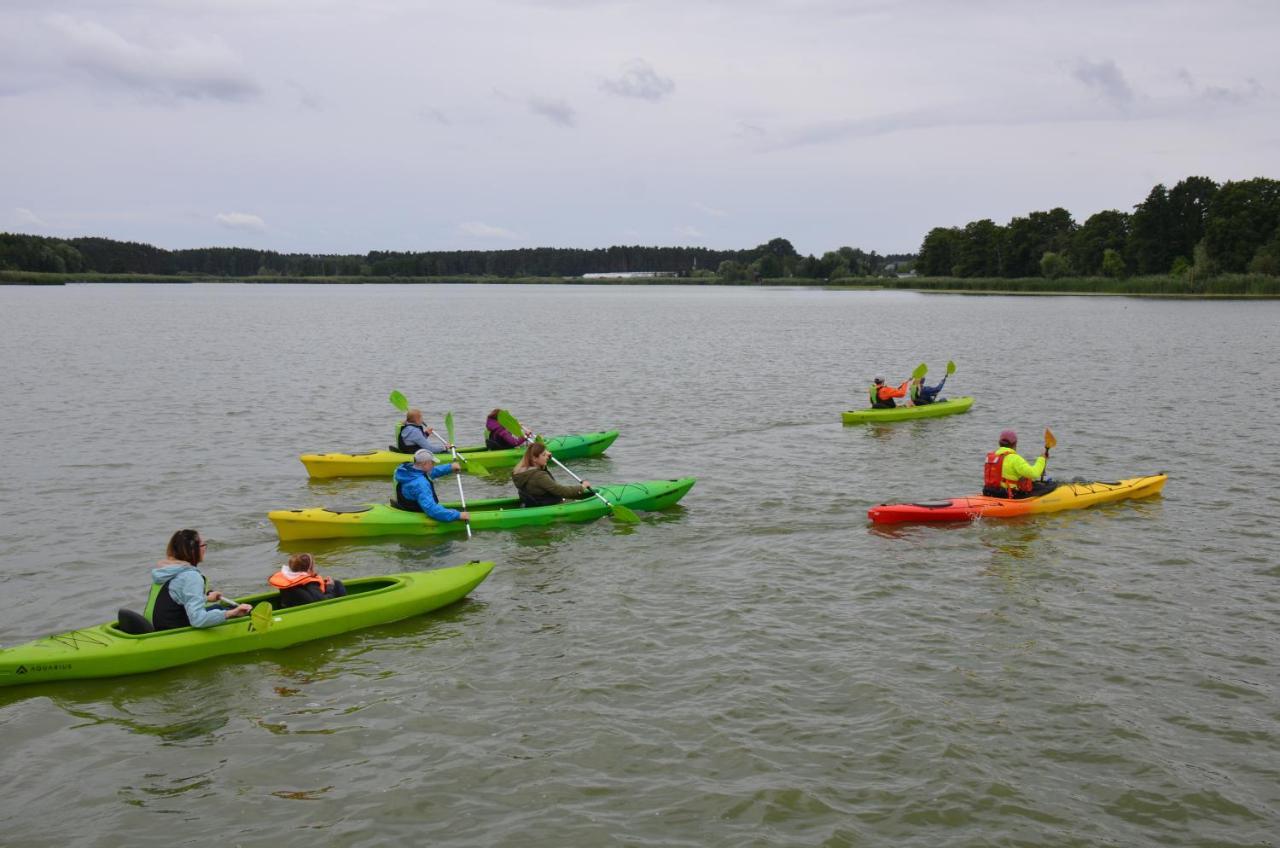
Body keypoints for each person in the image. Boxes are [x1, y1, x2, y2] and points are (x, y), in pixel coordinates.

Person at [146, 529, 252, 631]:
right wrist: (233, 613)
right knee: (227, 611)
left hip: (155, 627)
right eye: (202, 545)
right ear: (192, 551)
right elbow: (198, 620)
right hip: (175, 632)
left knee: (218, 607)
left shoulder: (164, 572)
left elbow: (175, 599)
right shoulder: (191, 577)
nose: (204, 548)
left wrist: (206, 599)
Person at [392, 449, 471, 522]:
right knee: (433, 507)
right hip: (416, 513)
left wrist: (450, 467)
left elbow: (430, 472)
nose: (433, 465)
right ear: (424, 464)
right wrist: (458, 515)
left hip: (406, 506)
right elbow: (431, 509)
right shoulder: (421, 484)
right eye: (432, 463)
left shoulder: (406, 470)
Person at [511, 441, 592, 508]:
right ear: (534, 458)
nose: (547, 457)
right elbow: (561, 491)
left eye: (546, 454)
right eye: (543, 455)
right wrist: (582, 487)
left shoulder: (519, 473)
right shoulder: (539, 476)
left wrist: (543, 460)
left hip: (531, 504)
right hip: (550, 505)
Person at [983, 430, 1054, 498]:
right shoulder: (1015, 459)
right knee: (1048, 486)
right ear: (1015, 443)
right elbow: (1034, 474)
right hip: (1007, 494)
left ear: (999, 443)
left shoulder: (990, 457)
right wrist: (1042, 459)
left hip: (989, 491)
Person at [268, 552, 347, 609]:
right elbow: (322, 602)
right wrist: (330, 586)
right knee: (337, 584)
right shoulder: (311, 583)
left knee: (336, 583)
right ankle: (344, 608)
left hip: (290, 606)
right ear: (309, 569)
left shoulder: (289, 578)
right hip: (312, 609)